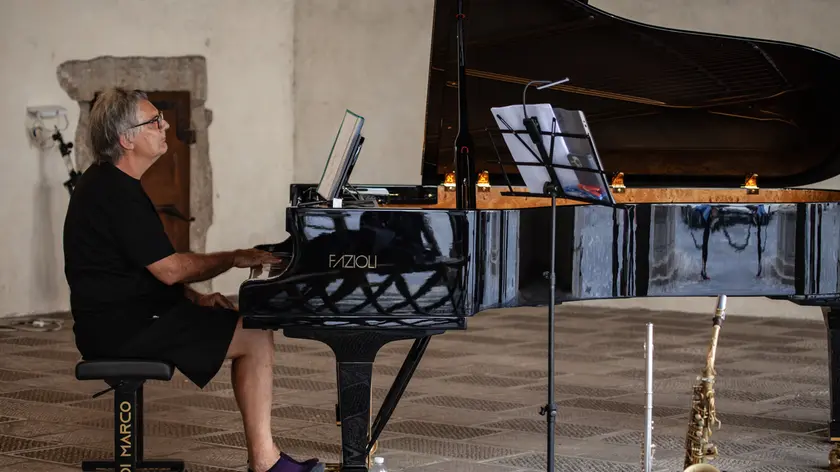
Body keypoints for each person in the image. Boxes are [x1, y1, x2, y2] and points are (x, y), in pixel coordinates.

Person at [63, 87, 324, 472]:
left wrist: (194, 298)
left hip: (123, 318)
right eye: (154, 121)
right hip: (121, 329)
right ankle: (265, 463)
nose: (165, 124)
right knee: (253, 335)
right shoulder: (114, 192)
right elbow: (169, 268)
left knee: (248, 326)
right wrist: (233, 257)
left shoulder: (108, 183)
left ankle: (265, 460)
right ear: (126, 138)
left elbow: (133, 270)